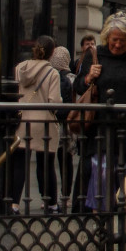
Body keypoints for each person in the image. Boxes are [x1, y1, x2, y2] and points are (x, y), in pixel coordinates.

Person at [71, 12, 126, 212]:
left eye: (122, 41)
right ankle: (96, 218)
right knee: (98, 180)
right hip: (100, 132)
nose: (117, 44)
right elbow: (78, 86)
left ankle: (123, 218)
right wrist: (89, 77)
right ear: (107, 37)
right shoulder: (96, 55)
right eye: (114, 40)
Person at [8, 36, 63, 214]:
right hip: (44, 123)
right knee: (45, 165)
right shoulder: (52, 73)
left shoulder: (20, 68)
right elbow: (54, 101)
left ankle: (14, 204)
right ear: (52, 53)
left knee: (19, 164)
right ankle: (50, 203)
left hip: (23, 121)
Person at [49, 45, 75, 199]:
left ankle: (48, 197)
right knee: (66, 161)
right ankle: (66, 193)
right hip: (68, 125)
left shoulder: (49, 77)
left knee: (48, 161)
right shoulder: (72, 79)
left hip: (52, 122)